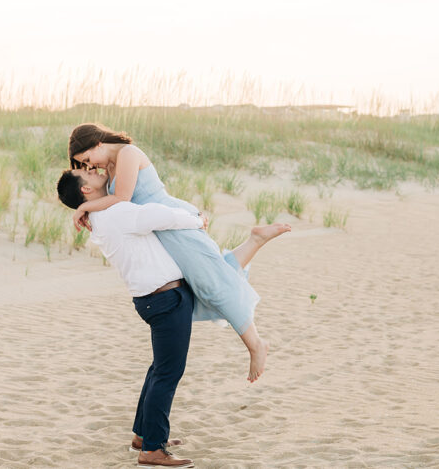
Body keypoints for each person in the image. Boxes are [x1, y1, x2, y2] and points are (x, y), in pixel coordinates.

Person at [56, 167, 287, 467]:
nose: (94, 171)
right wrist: (196, 220)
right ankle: (152, 449)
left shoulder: (102, 215)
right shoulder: (115, 213)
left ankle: (144, 435)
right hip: (165, 299)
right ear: (85, 190)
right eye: (86, 172)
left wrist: (87, 207)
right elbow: (157, 215)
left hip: (159, 298)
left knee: (160, 369)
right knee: (167, 373)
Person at [68, 122, 289, 383]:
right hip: (165, 230)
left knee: (212, 285)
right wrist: (89, 208)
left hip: (175, 226)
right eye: (85, 165)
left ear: (97, 143)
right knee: (208, 279)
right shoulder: (113, 165)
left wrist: (85, 207)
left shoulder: (127, 153)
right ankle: (255, 240)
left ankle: (256, 345)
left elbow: (124, 198)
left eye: (87, 159)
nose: (90, 167)